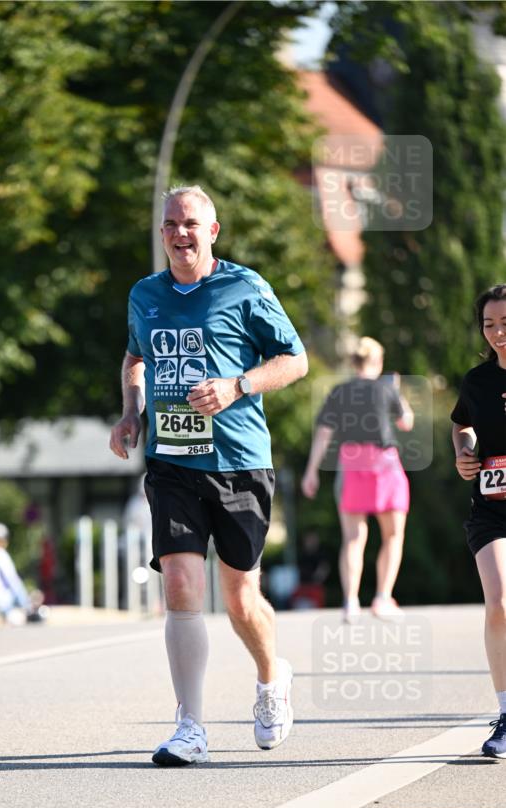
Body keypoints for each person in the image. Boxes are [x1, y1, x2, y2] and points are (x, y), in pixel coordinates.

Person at [109, 184, 308, 766]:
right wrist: (130, 412)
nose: (180, 233)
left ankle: (272, 677)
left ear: (212, 231)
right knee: (179, 587)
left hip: (240, 461)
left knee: (241, 598)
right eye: (171, 223)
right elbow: (134, 357)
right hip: (171, 462)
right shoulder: (145, 294)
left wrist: (237, 385)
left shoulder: (245, 287)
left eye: (191, 223)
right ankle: (190, 728)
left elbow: (294, 360)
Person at [301, 337, 414, 623]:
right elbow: (406, 422)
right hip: (385, 464)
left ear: (354, 363)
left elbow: (324, 434)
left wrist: (311, 470)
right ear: (378, 362)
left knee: (353, 539)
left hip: (351, 464)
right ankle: (382, 598)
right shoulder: (386, 388)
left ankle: (351, 602)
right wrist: (397, 392)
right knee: (393, 536)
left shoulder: (339, 392)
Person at [451, 284, 506, 759]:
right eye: (490, 325)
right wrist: (463, 452)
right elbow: (461, 422)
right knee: (500, 601)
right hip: (491, 509)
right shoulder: (477, 381)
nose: (498, 334)